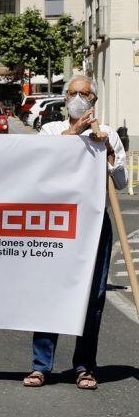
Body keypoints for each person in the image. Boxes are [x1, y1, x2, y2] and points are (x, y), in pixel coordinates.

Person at [24, 75, 125, 390]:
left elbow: (120, 181)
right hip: (56, 223)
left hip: (93, 223)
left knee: (93, 297)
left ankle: (85, 366)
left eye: (85, 93)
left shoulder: (107, 133)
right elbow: (43, 162)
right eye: (73, 93)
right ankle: (42, 366)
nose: (79, 97)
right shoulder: (52, 130)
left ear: (94, 99)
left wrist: (107, 152)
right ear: (65, 98)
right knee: (47, 290)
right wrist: (75, 133)